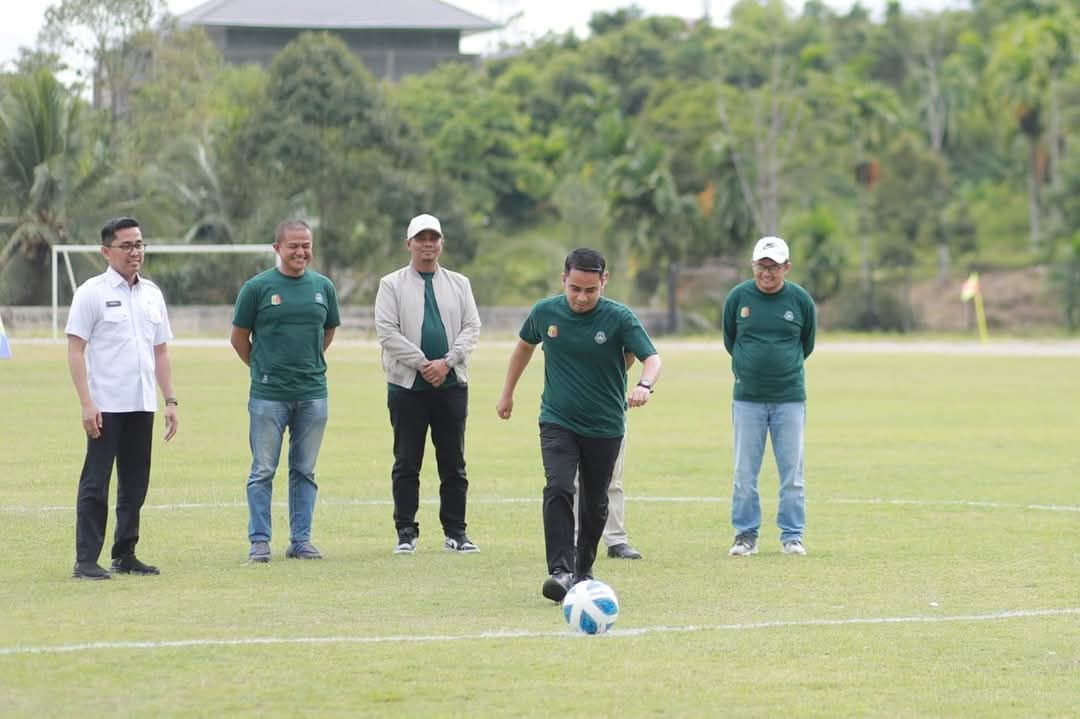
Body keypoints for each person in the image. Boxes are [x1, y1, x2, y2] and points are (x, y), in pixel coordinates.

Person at [496, 248, 661, 602]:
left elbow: (652, 358)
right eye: (574, 289)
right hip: (557, 419)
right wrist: (507, 392)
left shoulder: (619, 318)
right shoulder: (546, 312)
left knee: (595, 501)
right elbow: (524, 347)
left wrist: (644, 386)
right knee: (558, 487)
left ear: (604, 282)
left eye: (590, 290)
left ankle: (583, 571)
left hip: (605, 425)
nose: (582, 297)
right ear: (563, 281)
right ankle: (560, 570)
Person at [66, 216, 178, 580]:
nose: (135, 252)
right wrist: (86, 402)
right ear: (106, 251)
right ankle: (86, 560)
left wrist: (170, 401)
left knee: (135, 483)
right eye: (127, 245)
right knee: (96, 483)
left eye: (139, 244)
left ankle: (125, 553)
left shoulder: (152, 295)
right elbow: (75, 350)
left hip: (141, 403)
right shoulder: (91, 293)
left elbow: (160, 352)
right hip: (105, 406)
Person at [231, 219, 340, 563]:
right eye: (293, 245)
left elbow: (327, 332)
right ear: (277, 248)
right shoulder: (257, 288)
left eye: (306, 245)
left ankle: (301, 540)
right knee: (263, 470)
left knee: (304, 471)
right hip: (268, 396)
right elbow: (238, 338)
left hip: (312, 393)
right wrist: (263, 369)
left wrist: (307, 363)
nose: (300, 252)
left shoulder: (323, 287)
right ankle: (260, 541)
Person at [375, 213, 482, 554]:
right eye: (421, 239)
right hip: (407, 387)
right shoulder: (391, 284)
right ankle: (406, 531)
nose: (427, 245)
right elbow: (387, 332)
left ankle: (456, 532)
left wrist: (447, 362)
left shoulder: (459, 283)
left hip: (451, 385)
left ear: (441, 243)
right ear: (409, 244)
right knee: (407, 461)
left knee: (453, 462)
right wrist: (423, 364)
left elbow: (471, 327)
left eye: (433, 238)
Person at [722, 236, 816, 557]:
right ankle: (745, 535)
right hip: (747, 398)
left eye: (773, 267)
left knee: (792, 473)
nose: (767, 273)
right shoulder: (738, 298)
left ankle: (792, 535)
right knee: (744, 472)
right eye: (762, 266)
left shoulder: (800, 301)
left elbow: (807, 344)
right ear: (753, 265)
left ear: (786, 267)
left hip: (789, 398)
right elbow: (730, 340)